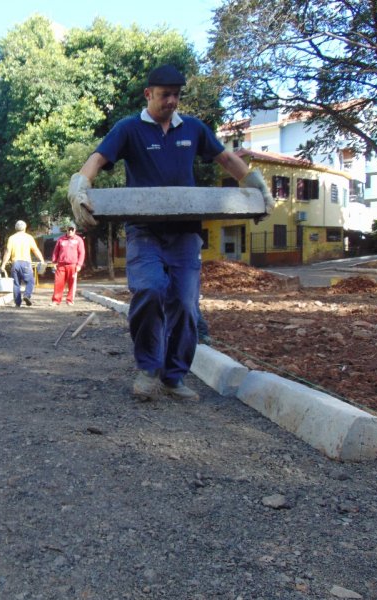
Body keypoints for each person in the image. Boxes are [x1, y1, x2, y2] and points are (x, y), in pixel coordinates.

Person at [67, 64, 274, 402]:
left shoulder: (193, 129)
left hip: (185, 234)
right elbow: (98, 159)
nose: (172, 101)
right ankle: (148, 369)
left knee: (186, 306)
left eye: (177, 95)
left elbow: (226, 159)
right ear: (148, 94)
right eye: (165, 95)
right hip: (144, 232)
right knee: (149, 289)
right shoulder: (129, 129)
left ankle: (173, 376)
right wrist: (80, 186)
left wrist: (256, 187)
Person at [0, 220, 45, 307]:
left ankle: (17, 303)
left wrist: (3, 264)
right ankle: (27, 295)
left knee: (16, 284)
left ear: (16, 228)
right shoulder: (29, 237)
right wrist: (42, 260)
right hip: (26, 263)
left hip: (15, 263)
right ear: (25, 227)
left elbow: (8, 252)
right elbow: (35, 250)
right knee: (30, 281)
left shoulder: (11, 238)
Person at [50, 223, 86, 306]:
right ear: (66, 230)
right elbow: (56, 251)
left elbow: (82, 253)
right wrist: (54, 262)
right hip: (61, 265)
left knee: (72, 283)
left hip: (73, 265)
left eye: (72, 229)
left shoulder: (78, 240)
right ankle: (56, 300)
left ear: (75, 230)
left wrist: (79, 265)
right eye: (69, 229)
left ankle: (70, 300)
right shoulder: (61, 239)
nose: (70, 231)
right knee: (58, 283)